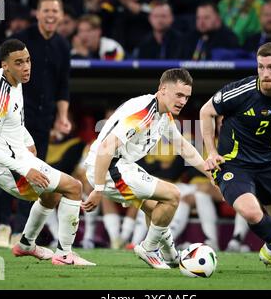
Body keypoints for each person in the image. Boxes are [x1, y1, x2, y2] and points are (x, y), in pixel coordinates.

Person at [200, 42, 271, 279]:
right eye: (261, 67)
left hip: (267, 163)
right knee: (251, 212)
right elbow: (206, 111)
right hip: (232, 163)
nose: (265, 73)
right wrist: (211, 152)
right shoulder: (240, 91)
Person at [0, 38, 95, 266]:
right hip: (2, 163)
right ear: (5, 65)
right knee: (74, 187)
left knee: (50, 194)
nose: (26, 67)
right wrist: (26, 169)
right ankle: (64, 254)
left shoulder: (14, 81)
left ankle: (25, 245)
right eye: (19, 63)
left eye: (28, 60)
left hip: (17, 153)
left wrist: (27, 140)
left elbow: (12, 123)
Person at [82, 68, 212, 269]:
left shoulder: (164, 115)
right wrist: (98, 189)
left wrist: (211, 173)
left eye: (186, 97)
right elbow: (106, 147)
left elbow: (184, 148)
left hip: (120, 165)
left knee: (156, 208)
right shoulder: (145, 112)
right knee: (173, 195)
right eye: (179, 95)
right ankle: (149, 248)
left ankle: (171, 255)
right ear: (162, 90)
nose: (183, 101)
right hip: (109, 166)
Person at [0, 0, 73, 247]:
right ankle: (2, 226)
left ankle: (20, 231)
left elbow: (63, 86)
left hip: (43, 120)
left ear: (61, 16)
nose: (50, 15)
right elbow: (0, 75)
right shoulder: (21, 40)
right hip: (15, 120)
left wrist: (62, 117)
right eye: (46, 10)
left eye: (55, 11)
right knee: (11, 170)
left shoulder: (63, 46)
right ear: (37, 13)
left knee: (35, 175)